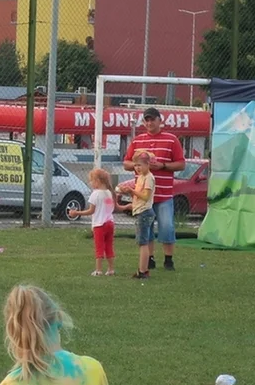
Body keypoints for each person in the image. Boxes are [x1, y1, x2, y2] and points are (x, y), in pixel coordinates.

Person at [122, 107, 185, 271]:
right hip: (143, 196)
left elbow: (181, 164)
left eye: (152, 119)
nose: (149, 123)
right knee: (146, 227)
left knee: (167, 226)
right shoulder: (137, 141)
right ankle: (149, 258)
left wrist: (163, 165)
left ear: (160, 120)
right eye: (146, 120)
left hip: (163, 194)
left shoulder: (171, 140)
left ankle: (168, 259)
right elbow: (126, 163)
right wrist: (138, 166)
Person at [69, 168, 125, 276]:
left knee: (99, 247)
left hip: (99, 225)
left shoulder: (95, 194)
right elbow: (112, 208)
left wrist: (77, 213)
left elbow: (91, 211)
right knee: (109, 246)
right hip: (110, 223)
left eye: (91, 180)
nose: (90, 183)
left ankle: (98, 270)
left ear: (98, 181)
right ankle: (111, 269)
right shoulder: (109, 193)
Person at [121, 151, 155, 280]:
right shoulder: (140, 177)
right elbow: (139, 195)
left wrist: (132, 190)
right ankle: (144, 270)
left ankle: (142, 271)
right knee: (144, 241)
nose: (137, 168)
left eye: (140, 165)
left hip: (144, 212)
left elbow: (145, 196)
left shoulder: (149, 178)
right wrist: (130, 192)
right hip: (141, 210)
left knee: (143, 243)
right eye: (135, 165)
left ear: (147, 164)